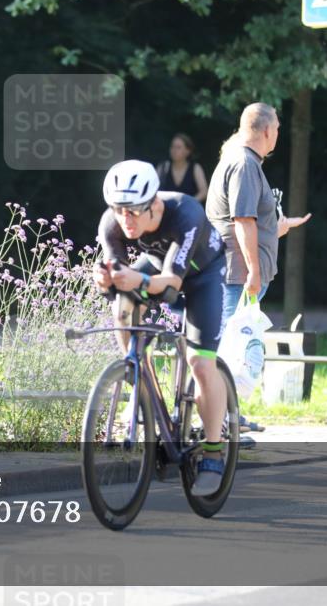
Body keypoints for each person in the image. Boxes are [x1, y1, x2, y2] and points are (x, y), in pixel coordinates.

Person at [92, 159, 228, 495]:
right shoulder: (112, 222)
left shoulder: (186, 214)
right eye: (118, 210)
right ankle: (139, 382)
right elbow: (117, 280)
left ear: (154, 204)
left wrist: (135, 278)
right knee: (122, 304)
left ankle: (213, 453)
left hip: (202, 276)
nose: (126, 220)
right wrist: (105, 279)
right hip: (156, 268)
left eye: (134, 212)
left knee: (200, 363)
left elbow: (169, 286)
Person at [205, 103, 311, 319]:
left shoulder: (241, 161)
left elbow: (245, 220)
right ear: (267, 131)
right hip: (237, 275)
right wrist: (254, 270)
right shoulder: (244, 164)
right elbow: (243, 220)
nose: (278, 134)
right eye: (278, 128)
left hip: (235, 273)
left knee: (233, 345)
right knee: (226, 344)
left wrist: (276, 228)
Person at [155, 133, 209, 202]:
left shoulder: (195, 168)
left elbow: (204, 191)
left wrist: (190, 203)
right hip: (165, 209)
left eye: (178, 147)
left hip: (189, 210)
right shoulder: (163, 167)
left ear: (187, 151)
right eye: (172, 146)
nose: (174, 150)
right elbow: (153, 189)